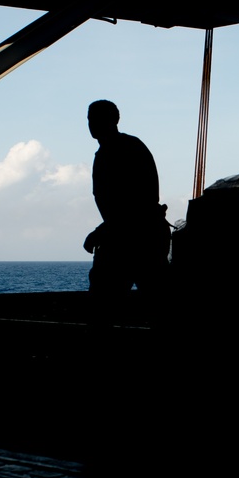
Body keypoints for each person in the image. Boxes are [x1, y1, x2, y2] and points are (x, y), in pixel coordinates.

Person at [83, 100, 171, 323]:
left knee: (103, 308)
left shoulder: (121, 151)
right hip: (139, 235)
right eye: (90, 118)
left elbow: (133, 206)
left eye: (97, 118)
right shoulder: (124, 148)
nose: (92, 123)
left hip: (134, 239)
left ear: (114, 120)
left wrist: (101, 233)